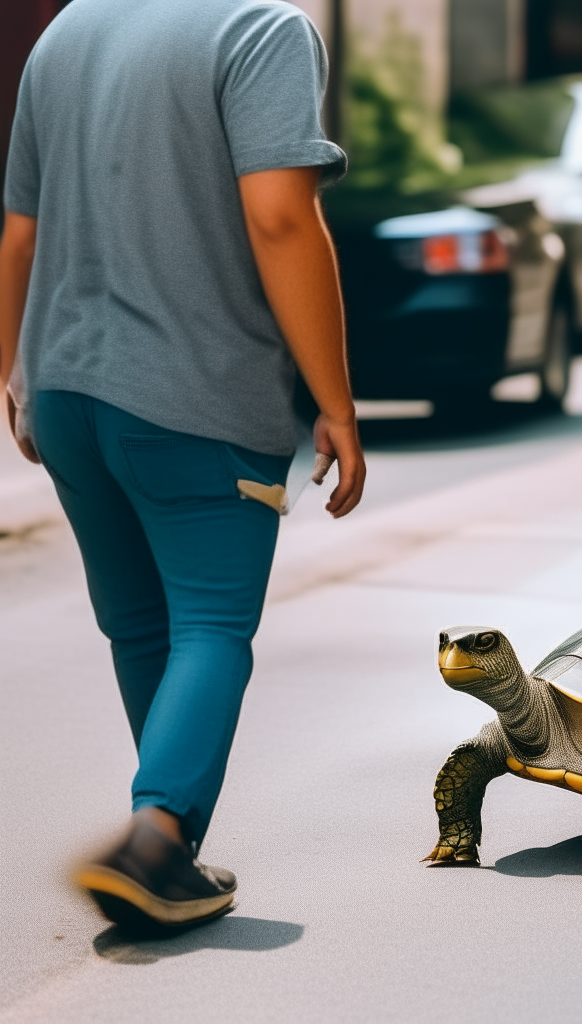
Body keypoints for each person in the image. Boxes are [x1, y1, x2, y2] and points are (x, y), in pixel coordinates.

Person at [0, 0, 365, 930]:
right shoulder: (260, 28)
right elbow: (281, 218)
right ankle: (155, 836)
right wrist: (334, 402)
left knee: (139, 627)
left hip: (67, 390)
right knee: (209, 624)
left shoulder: (66, 31)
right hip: (196, 391)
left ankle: (160, 852)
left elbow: (19, 234)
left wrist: (11, 370)